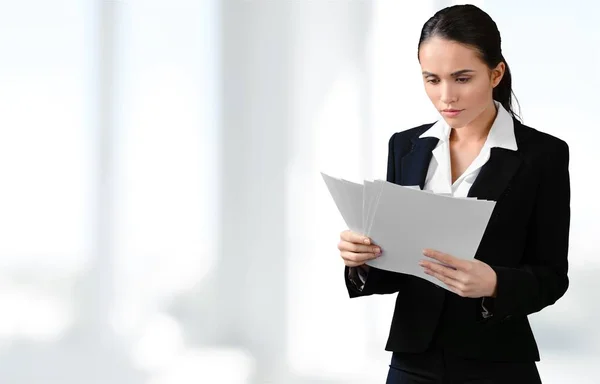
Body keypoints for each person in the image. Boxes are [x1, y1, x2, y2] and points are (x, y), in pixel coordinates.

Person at [338, 4, 570, 383]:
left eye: (462, 79)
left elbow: (552, 276)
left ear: (496, 73)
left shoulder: (542, 155)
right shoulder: (406, 146)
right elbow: (398, 266)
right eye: (432, 79)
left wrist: (494, 283)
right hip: (413, 359)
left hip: (498, 362)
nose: (446, 96)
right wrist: (361, 259)